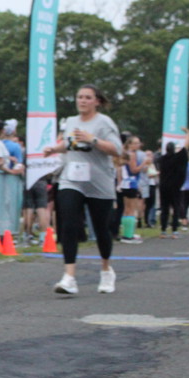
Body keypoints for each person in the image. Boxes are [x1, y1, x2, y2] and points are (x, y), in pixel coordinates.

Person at [42, 84, 123, 295]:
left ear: (97, 101)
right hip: (72, 179)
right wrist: (53, 148)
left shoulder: (104, 122)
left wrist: (93, 139)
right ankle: (69, 277)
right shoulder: (70, 121)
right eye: (80, 97)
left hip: (98, 181)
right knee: (68, 223)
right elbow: (68, 143)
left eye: (87, 97)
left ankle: (106, 270)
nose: (83, 101)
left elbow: (117, 149)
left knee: (101, 228)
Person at [157, 130, 189, 238]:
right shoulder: (178, 158)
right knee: (175, 208)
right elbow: (185, 147)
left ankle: (163, 230)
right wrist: (188, 133)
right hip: (175, 186)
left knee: (164, 208)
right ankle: (174, 230)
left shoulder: (162, 159)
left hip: (163, 186)